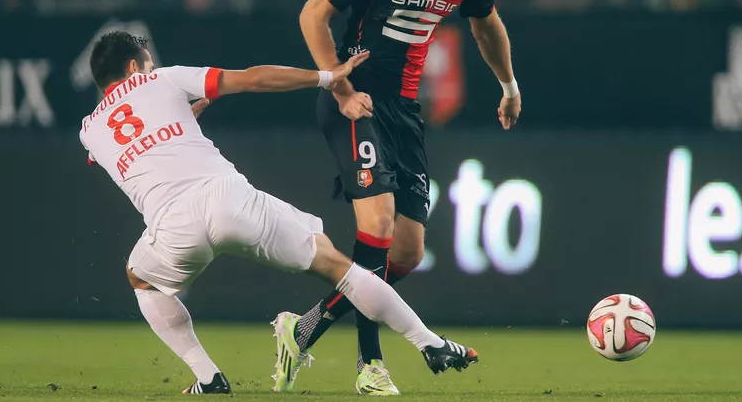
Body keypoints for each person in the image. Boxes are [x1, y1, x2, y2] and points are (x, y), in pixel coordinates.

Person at [78, 31, 479, 395]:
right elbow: (252, 78)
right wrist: (326, 77)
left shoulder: (88, 130)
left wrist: (177, 120)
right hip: (228, 201)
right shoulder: (162, 79)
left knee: (141, 278)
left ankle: (207, 378)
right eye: (146, 63)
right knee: (340, 267)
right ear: (135, 67)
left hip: (172, 228)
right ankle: (429, 343)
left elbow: (123, 147)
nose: (150, 69)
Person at [289, 0, 519, 395]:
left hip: (403, 110)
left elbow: (487, 27)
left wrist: (508, 86)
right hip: (355, 99)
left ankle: (303, 328)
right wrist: (340, 88)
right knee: (378, 226)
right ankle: (371, 365)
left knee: (407, 253)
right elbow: (311, 16)